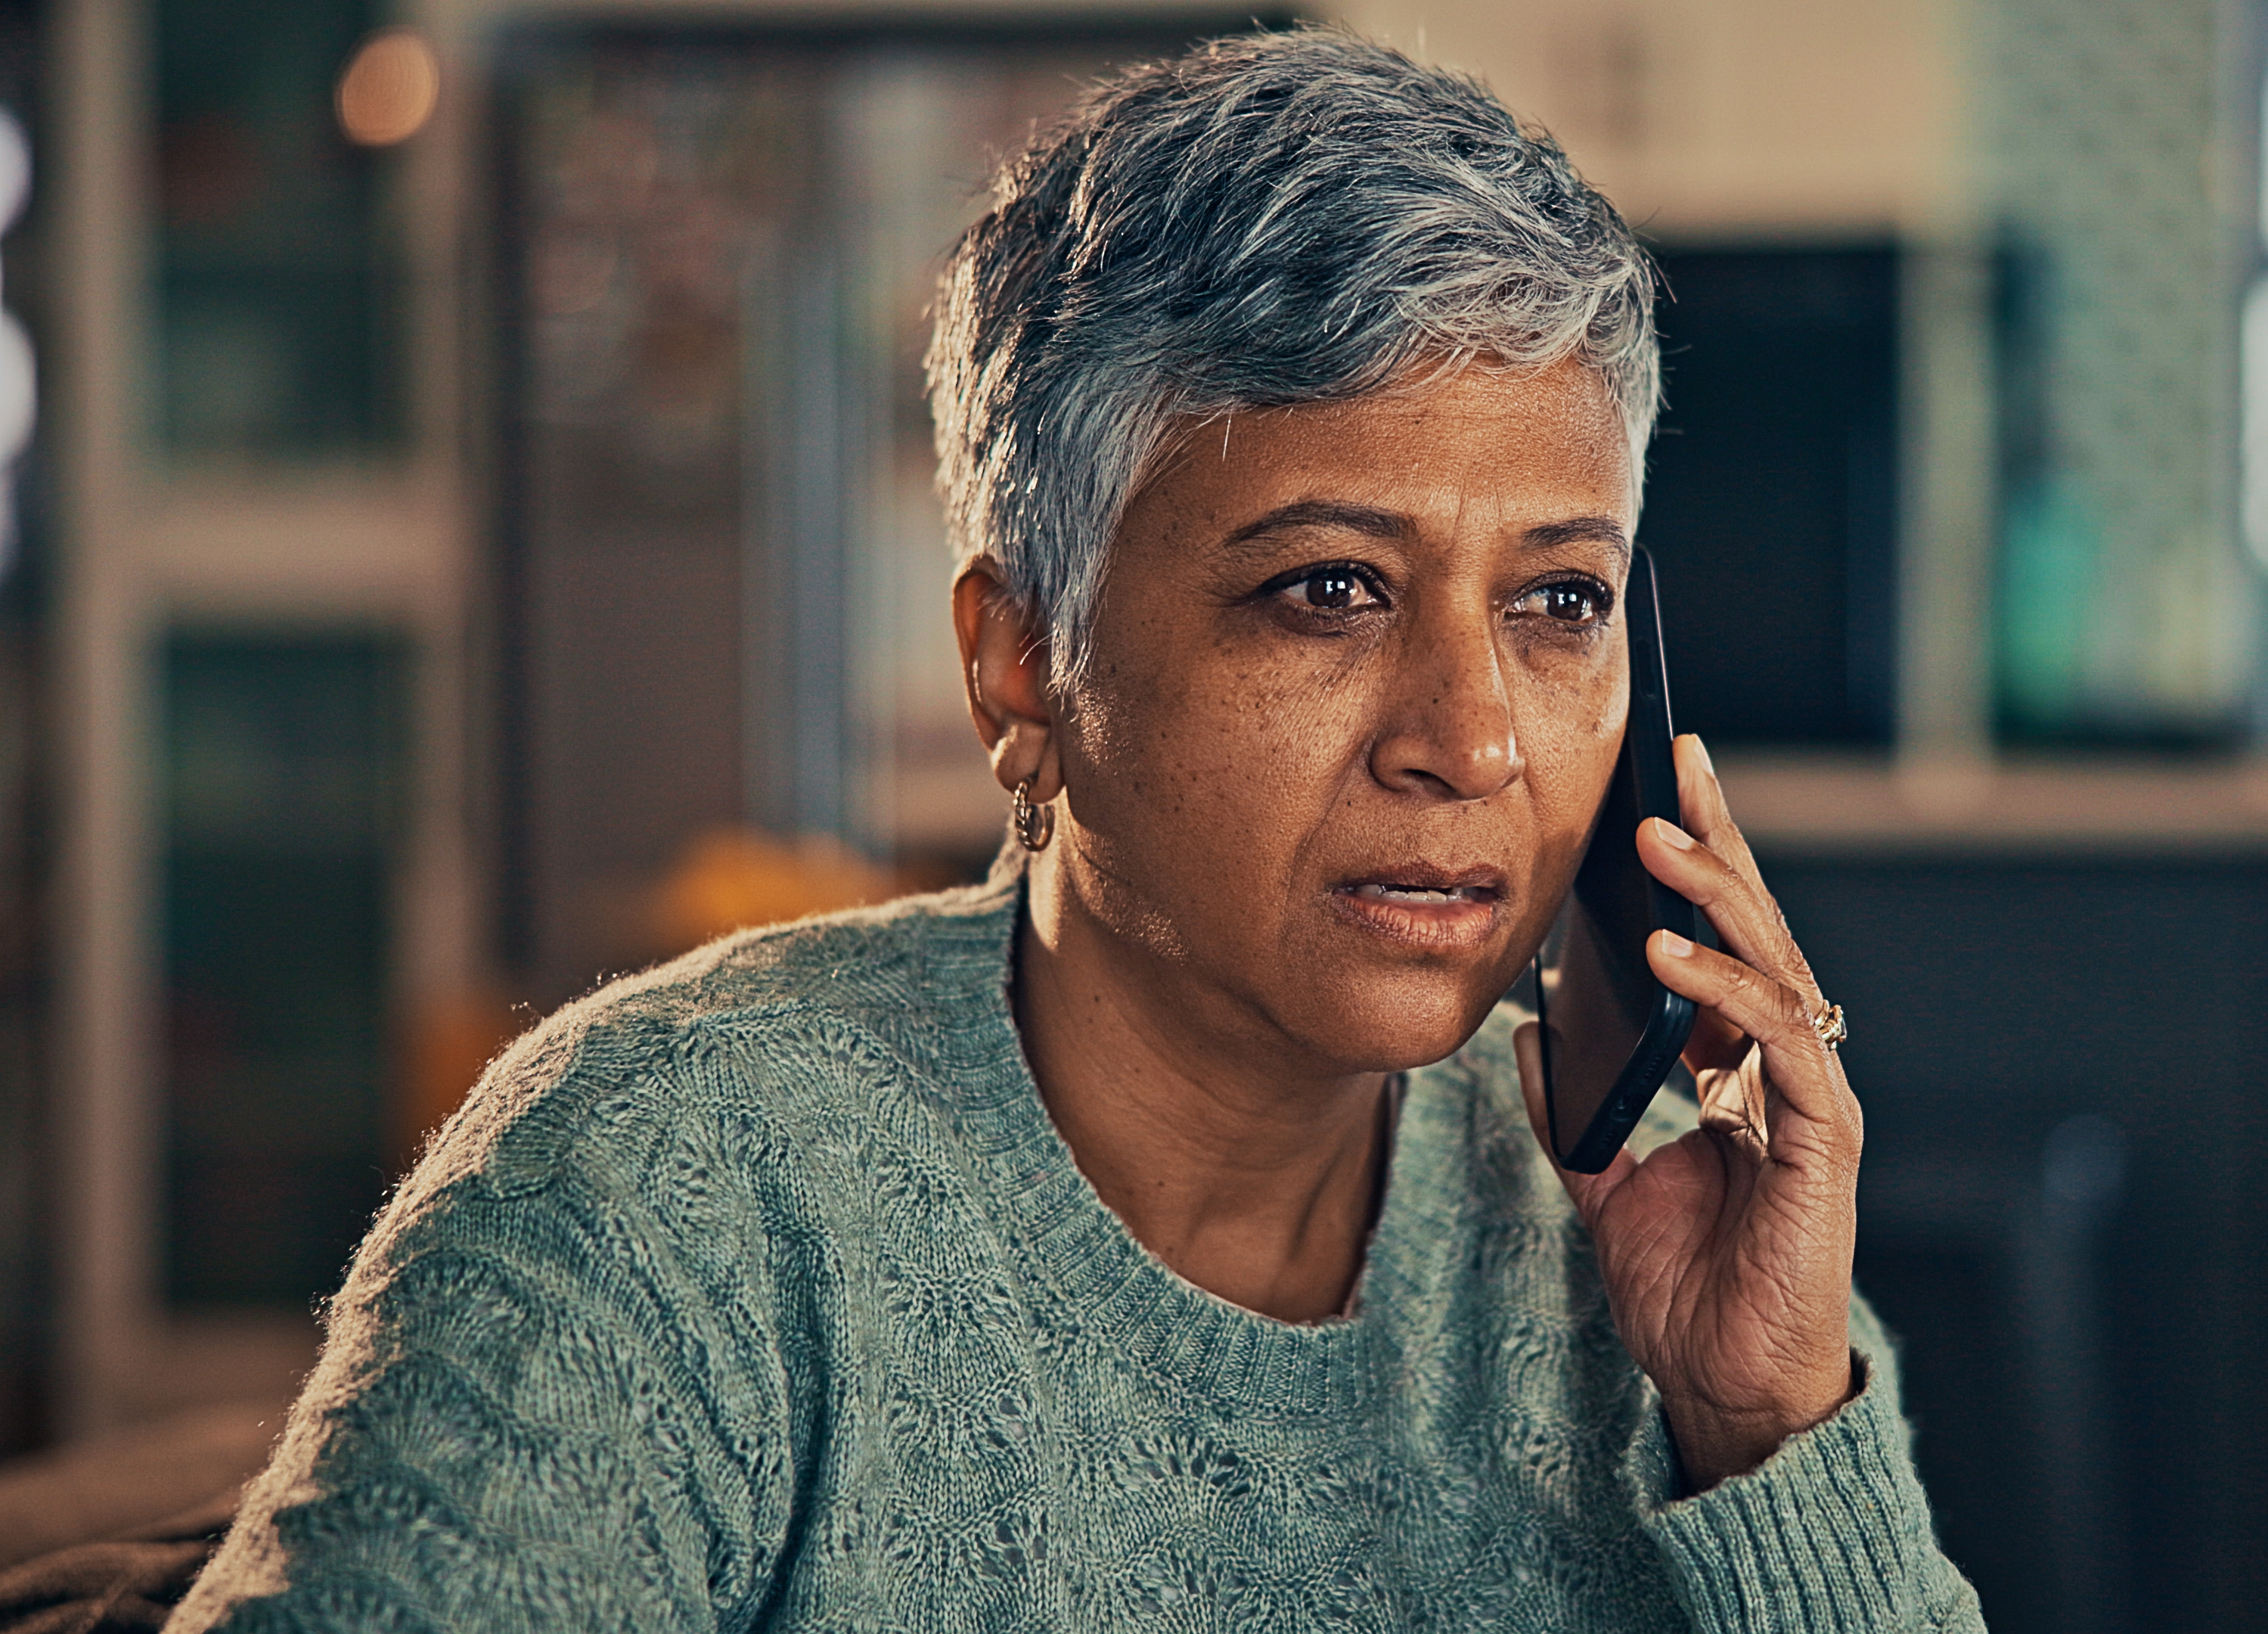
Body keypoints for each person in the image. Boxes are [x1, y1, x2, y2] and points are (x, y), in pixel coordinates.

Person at [173, 30, 1983, 1631]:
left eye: (1560, 603)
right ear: (1021, 664)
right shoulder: (674, 1195)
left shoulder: (1660, 1245)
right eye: (1332, 587)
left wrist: (1765, 1429)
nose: (1470, 741)